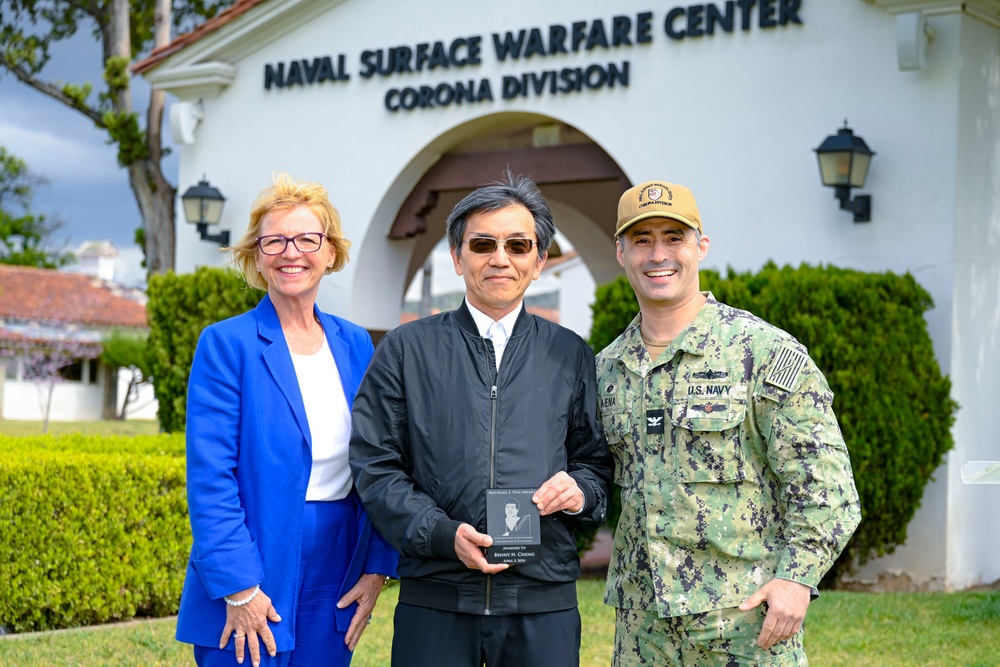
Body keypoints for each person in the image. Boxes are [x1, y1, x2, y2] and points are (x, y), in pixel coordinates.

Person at [350, 172, 613, 667]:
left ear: (538, 263)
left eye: (518, 245)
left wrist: (580, 490)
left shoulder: (570, 353)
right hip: (436, 600)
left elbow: (596, 464)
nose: (500, 258)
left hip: (542, 604)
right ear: (457, 257)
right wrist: (442, 535)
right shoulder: (406, 349)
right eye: (483, 244)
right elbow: (375, 465)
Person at [596, 180, 862, 666]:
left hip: (744, 625)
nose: (659, 254)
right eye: (642, 240)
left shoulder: (761, 352)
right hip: (642, 633)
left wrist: (797, 578)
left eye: (674, 237)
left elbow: (828, 489)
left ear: (701, 245)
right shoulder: (607, 369)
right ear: (621, 252)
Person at [176, 174, 398, 667]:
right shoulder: (226, 344)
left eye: (306, 239)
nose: (289, 251)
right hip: (255, 553)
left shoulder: (356, 343)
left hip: (339, 559)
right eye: (273, 240)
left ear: (330, 252)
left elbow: (383, 459)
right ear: (258, 255)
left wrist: (377, 567)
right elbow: (210, 477)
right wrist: (238, 587)